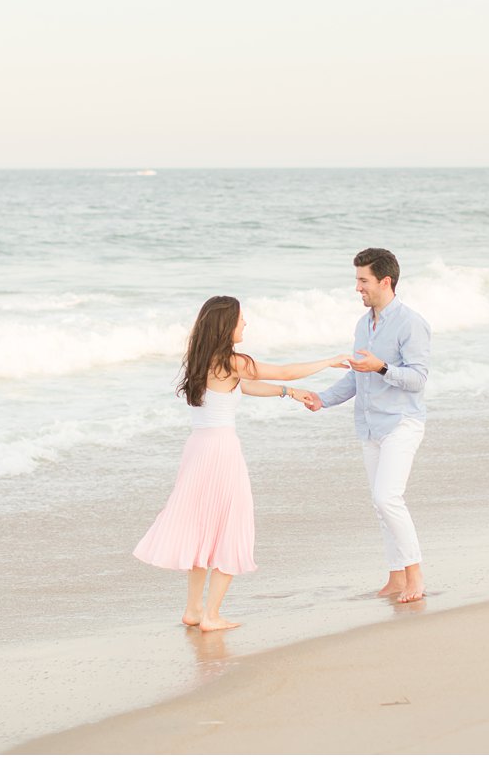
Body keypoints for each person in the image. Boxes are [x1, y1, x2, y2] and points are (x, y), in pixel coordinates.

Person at [133, 295, 347, 631]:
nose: (245, 324)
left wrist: (289, 393)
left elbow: (244, 387)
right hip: (221, 452)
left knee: (202, 528)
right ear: (226, 324)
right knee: (232, 526)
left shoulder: (203, 360)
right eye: (241, 319)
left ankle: (193, 610)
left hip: (197, 450)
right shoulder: (233, 361)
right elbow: (284, 369)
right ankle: (212, 616)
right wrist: (329, 361)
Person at [303, 248, 431, 603]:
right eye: (357, 280)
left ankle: (415, 576)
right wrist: (322, 399)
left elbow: (418, 379)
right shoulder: (363, 325)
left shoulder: (411, 323)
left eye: (363, 280)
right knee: (380, 504)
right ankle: (395, 578)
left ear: (385, 282)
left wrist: (382, 368)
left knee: (387, 497)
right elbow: (355, 379)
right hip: (370, 425)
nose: (357, 287)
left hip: (401, 422)